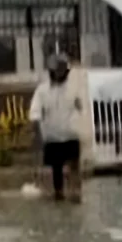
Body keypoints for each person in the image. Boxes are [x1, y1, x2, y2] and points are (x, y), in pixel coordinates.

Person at [29, 54, 83, 202]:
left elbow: (81, 108)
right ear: (51, 72)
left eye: (63, 71)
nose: (60, 74)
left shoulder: (73, 88)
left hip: (71, 134)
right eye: (57, 71)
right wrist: (36, 134)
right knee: (56, 170)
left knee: (74, 167)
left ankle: (76, 195)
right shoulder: (42, 91)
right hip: (52, 137)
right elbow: (35, 113)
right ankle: (59, 195)